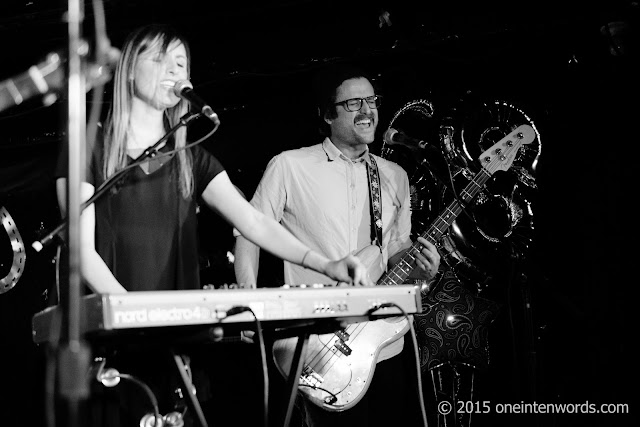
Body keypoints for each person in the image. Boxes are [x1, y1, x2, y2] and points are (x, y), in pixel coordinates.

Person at [53, 25, 372, 427]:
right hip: (107, 342)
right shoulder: (87, 147)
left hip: (172, 341)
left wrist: (326, 265)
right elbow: (80, 246)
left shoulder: (192, 158)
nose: (174, 71)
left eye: (181, 63)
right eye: (160, 59)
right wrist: (131, 313)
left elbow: (253, 221)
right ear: (129, 69)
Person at [233, 64, 441, 427]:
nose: (368, 110)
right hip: (314, 345)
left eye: (372, 100)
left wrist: (423, 265)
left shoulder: (394, 175)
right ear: (328, 114)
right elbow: (248, 231)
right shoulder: (290, 166)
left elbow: (396, 248)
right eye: (354, 102)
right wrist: (246, 299)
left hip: (383, 345)